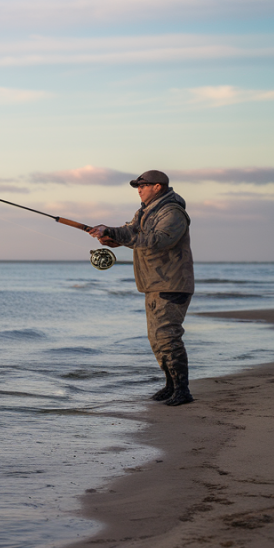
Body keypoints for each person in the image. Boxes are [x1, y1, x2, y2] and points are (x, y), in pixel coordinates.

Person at [87, 170, 195, 406]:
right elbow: (131, 233)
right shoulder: (145, 212)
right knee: (156, 339)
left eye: (143, 185)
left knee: (167, 336)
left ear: (158, 187)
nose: (139, 189)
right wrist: (110, 235)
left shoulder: (172, 212)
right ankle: (171, 386)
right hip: (153, 283)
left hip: (172, 283)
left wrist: (114, 233)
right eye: (137, 186)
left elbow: (159, 240)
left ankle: (182, 390)